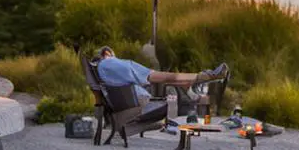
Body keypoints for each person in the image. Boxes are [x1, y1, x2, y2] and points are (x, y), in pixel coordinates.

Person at [94, 46, 227, 105]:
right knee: (169, 77)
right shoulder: (108, 62)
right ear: (107, 53)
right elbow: (128, 67)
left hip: (129, 96)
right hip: (134, 98)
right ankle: (204, 77)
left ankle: (193, 83)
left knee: (168, 79)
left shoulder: (104, 70)